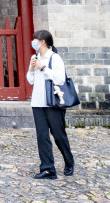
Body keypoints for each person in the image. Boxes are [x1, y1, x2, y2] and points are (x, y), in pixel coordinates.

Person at [26, 29, 75, 180]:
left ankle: (69, 161)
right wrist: (32, 68)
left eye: (35, 39)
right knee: (42, 136)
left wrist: (43, 67)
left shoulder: (55, 58)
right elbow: (30, 80)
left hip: (53, 102)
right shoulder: (34, 57)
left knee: (58, 135)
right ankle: (48, 168)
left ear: (42, 42)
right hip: (38, 102)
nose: (33, 42)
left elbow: (60, 79)